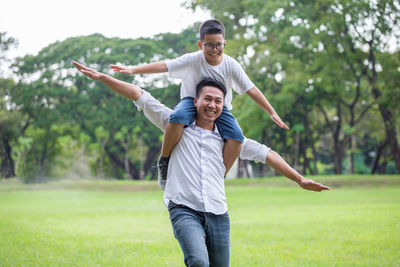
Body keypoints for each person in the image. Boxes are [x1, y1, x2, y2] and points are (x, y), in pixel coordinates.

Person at [73, 61, 330, 267]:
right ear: (195, 101)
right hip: (184, 208)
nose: (212, 105)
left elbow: (267, 153)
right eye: (207, 99)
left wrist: (300, 179)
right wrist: (103, 78)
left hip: (218, 213)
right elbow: (139, 95)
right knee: (197, 261)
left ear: (223, 106)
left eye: (218, 101)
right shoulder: (176, 124)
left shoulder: (229, 139)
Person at [110, 19, 289, 183]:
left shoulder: (231, 64)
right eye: (209, 45)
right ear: (200, 44)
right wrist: (133, 71)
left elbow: (252, 89)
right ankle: (164, 161)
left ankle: (219, 177)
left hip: (220, 108)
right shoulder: (192, 59)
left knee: (236, 136)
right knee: (177, 117)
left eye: (218, 45)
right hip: (190, 101)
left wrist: (271, 112)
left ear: (224, 43)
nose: (214, 50)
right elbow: (165, 65)